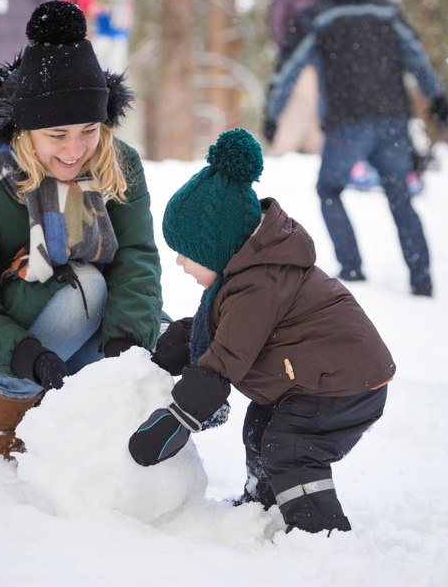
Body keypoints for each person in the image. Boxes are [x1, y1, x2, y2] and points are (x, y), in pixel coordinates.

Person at [0, 0, 163, 459]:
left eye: (89, 129)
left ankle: (92, 433)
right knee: (84, 287)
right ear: (24, 129)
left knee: (158, 338)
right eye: (56, 135)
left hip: (72, 310)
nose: (75, 150)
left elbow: (136, 261)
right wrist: (26, 356)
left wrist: (123, 349)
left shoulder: (116, 161)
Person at [127, 129, 394, 535]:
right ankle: (265, 505)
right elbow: (219, 330)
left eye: (188, 253)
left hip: (345, 385)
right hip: (316, 380)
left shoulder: (259, 285)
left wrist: (177, 419)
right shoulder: (245, 275)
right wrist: (170, 349)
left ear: (219, 249)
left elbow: (224, 360)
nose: (180, 262)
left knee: (290, 447)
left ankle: (319, 535)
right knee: (260, 425)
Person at [265, 0, 448, 297]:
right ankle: (421, 278)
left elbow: (287, 68)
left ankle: (352, 267)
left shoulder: (317, 16)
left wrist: (273, 114)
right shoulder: (384, 9)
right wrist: (437, 96)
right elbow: (416, 55)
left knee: (329, 189)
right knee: (400, 195)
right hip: (392, 118)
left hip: (346, 122)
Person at [266, 0, 325, 155]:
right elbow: (276, 21)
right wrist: (290, 49)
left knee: (317, 100)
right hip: (298, 57)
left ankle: (314, 147)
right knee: (302, 99)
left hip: (321, 57)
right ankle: (283, 149)